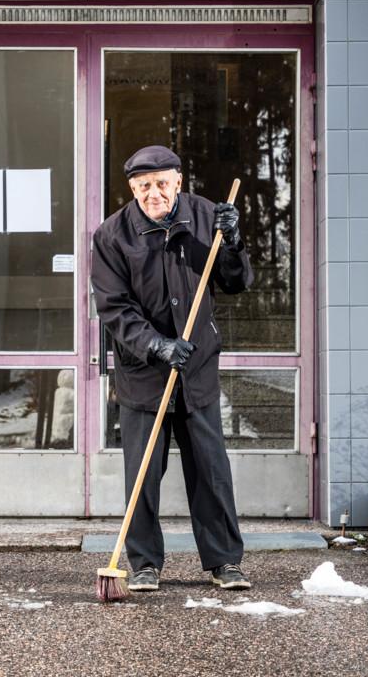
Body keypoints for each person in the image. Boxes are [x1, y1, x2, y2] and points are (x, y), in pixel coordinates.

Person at [90, 144, 253, 592]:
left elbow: (236, 282)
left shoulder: (206, 217)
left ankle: (225, 562)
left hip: (197, 367)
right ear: (132, 188)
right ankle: (144, 563)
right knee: (143, 473)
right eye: (144, 186)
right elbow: (113, 307)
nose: (153, 193)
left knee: (210, 469)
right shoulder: (111, 235)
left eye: (162, 183)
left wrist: (233, 242)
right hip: (144, 372)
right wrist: (156, 345)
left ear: (178, 181)